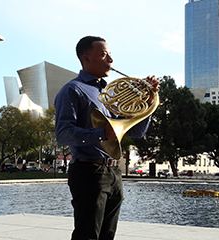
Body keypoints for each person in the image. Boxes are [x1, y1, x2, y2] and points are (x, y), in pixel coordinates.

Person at [54, 36, 159, 240]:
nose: (111, 60)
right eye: (104, 54)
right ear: (86, 59)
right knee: (87, 235)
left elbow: (136, 132)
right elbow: (63, 133)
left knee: (108, 235)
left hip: (113, 171)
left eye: (110, 54)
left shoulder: (106, 91)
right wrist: (103, 133)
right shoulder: (72, 90)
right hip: (88, 171)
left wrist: (148, 103)